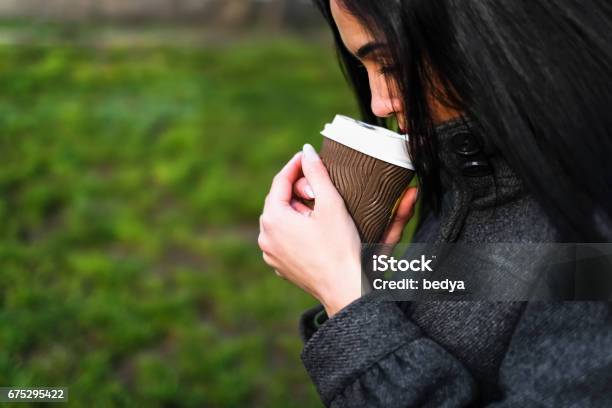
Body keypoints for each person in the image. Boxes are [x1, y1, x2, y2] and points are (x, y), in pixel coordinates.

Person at [257, 0, 612, 406]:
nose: (378, 104)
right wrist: (362, 285)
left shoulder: (593, 224)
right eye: (363, 68)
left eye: (390, 65)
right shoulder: (473, 177)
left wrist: (346, 296)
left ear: (487, 29)